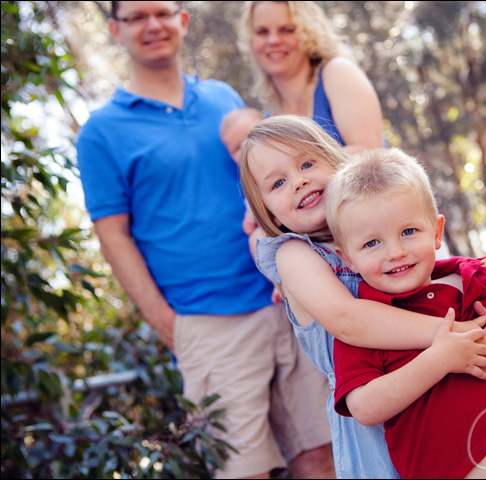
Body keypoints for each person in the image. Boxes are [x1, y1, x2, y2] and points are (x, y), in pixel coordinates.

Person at [75, 2, 334, 478]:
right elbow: (113, 236)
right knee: (245, 470)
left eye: (163, 12)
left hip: (288, 302)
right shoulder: (102, 133)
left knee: (323, 456)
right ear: (115, 29)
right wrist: (168, 324)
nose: (153, 25)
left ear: (183, 20)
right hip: (207, 323)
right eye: (136, 17)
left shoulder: (224, 99)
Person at [238, 115, 486, 478]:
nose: (299, 181)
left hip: (447, 401)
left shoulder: (385, 227)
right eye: (277, 183)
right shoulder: (293, 254)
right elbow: (349, 321)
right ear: (265, 210)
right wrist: (454, 336)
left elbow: (456, 286)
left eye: (307, 163)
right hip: (375, 406)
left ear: (335, 160)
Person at [325, 148, 486, 479]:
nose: (395, 252)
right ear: (348, 259)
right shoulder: (368, 322)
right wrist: (440, 359)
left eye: (408, 232)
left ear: (436, 231)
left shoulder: (471, 281)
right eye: (372, 243)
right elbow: (364, 407)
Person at [239, 1, 384, 154]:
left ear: (308, 33)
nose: (273, 40)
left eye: (287, 30)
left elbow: (369, 151)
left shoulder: (338, 72)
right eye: (262, 32)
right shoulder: (267, 124)